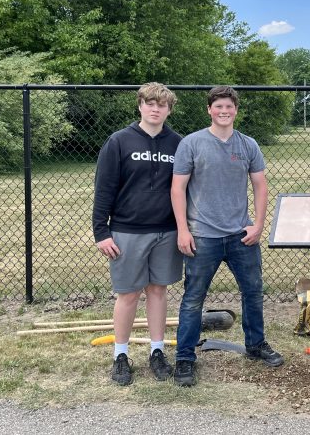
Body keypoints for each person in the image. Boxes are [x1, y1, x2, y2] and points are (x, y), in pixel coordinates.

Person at [171, 86, 283, 387]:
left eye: (229, 107)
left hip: (240, 235)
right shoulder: (192, 143)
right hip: (202, 236)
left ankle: (256, 345)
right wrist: (183, 229)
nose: (224, 111)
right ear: (209, 109)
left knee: (253, 292)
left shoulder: (248, 145)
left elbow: (260, 185)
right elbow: (177, 188)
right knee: (193, 299)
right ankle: (184, 358)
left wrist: (258, 225)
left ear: (236, 110)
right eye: (218, 106)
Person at [92, 82, 183, 386]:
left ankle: (157, 351)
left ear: (169, 109)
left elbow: (185, 189)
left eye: (162, 104)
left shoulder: (178, 144)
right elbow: (104, 189)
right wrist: (101, 231)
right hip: (127, 231)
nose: (155, 109)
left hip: (166, 231)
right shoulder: (119, 141)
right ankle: (120, 355)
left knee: (158, 290)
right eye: (150, 103)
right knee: (128, 294)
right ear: (140, 105)